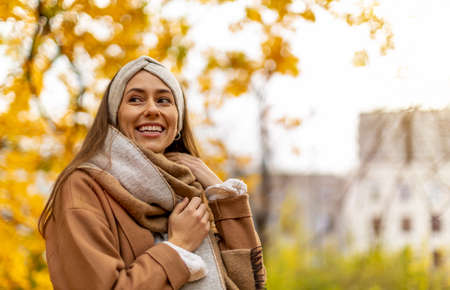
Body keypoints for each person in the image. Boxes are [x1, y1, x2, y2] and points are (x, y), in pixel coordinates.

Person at [38, 56, 266, 290]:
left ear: (177, 121)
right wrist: (177, 247)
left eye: (164, 100)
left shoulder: (189, 190)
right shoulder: (82, 188)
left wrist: (224, 198)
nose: (151, 109)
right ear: (114, 116)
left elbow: (250, 284)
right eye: (135, 99)